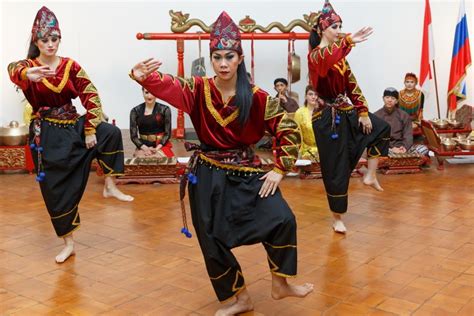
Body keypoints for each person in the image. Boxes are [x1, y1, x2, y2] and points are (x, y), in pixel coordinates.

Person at [130, 11, 313, 316]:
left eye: (230, 56)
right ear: (211, 59)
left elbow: (287, 129)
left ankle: (280, 284)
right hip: (207, 175)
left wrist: (280, 169)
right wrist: (142, 76)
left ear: (240, 58)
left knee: (282, 219)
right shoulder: (197, 89)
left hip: (244, 172)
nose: (224, 63)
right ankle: (239, 298)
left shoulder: (258, 97)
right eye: (217, 57)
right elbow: (169, 85)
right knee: (211, 239)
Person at [7, 6, 133, 264]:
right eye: (45, 40)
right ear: (36, 41)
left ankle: (110, 186)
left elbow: (92, 96)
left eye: (54, 39)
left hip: (72, 125)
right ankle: (69, 244)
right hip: (47, 136)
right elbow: (12, 68)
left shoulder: (70, 66)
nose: (50, 44)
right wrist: (25, 74)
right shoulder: (28, 66)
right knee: (55, 190)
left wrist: (89, 128)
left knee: (108, 132)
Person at [307, 0, 390, 233]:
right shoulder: (315, 57)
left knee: (381, 128)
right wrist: (349, 41)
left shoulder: (341, 58)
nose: (339, 30)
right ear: (322, 29)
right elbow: (327, 58)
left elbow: (352, 86)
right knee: (336, 168)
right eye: (334, 27)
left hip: (346, 112)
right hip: (326, 120)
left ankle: (370, 175)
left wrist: (363, 112)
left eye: (340, 26)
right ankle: (337, 218)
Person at [374, 87, 429, 155]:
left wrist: (404, 148)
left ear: (397, 101)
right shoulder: (376, 116)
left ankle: (401, 156)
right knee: (375, 150)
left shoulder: (403, 115)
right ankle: (404, 159)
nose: (389, 100)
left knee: (423, 149)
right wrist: (391, 149)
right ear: (383, 98)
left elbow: (408, 135)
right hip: (385, 148)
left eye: (393, 98)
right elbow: (376, 138)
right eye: (387, 97)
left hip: (401, 147)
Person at [130, 87, 174, 158]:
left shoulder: (165, 110)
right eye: (146, 92)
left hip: (160, 145)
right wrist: (146, 149)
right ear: (143, 92)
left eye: (152, 92)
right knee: (142, 162)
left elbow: (167, 134)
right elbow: (134, 137)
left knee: (159, 160)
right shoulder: (135, 111)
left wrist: (156, 149)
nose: (149, 96)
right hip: (143, 146)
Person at [294, 85, 320, 161]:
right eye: (310, 94)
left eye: (316, 94)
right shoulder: (300, 112)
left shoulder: (323, 112)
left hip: (324, 149)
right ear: (306, 96)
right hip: (307, 151)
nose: (313, 97)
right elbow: (297, 135)